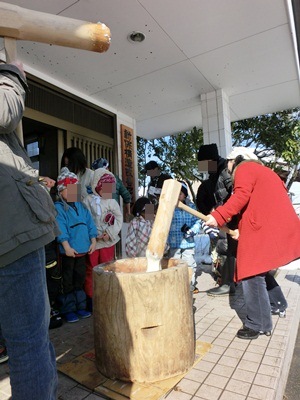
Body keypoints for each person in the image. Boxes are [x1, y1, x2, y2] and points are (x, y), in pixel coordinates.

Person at [0, 62, 59, 398]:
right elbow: (5, 111)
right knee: (29, 342)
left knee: (27, 340)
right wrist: (12, 76)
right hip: (12, 236)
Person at [205, 151, 300, 339]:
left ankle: (258, 323)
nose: (228, 169)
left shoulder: (245, 168)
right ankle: (277, 303)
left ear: (234, 160)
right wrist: (240, 228)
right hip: (273, 227)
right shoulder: (264, 171)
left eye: (228, 164)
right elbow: (254, 205)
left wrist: (218, 216)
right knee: (260, 270)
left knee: (250, 273)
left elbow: (241, 197)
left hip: (264, 229)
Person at [55, 167, 97, 323]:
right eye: (69, 189)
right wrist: (66, 246)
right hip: (68, 252)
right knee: (67, 281)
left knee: (79, 279)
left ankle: (81, 306)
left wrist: (93, 240)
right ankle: (68, 309)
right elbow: (60, 228)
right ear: (61, 191)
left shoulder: (83, 207)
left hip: (83, 250)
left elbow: (90, 224)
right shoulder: (59, 208)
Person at [197, 143, 236, 296]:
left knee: (226, 249)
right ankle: (229, 283)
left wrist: (222, 212)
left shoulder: (225, 171)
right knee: (225, 250)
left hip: (230, 218)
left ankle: (228, 284)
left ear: (210, 160)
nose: (203, 168)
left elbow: (235, 193)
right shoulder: (214, 175)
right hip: (224, 218)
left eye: (203, 164)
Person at [83, 168, 123, 309]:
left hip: (108, 242)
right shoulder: (87, 201)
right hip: (93, 243)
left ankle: (107, 295)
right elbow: (86, 219)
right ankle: (91, 297)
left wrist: (109, 233)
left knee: (108, 268)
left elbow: (119, 219)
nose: (108, 192)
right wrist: (93, 235)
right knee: (91, 269)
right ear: (97, 186)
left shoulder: (112, 202)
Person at [168, 182, 203, 293]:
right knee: (174, 264)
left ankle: (190, 284)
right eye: (176, 193)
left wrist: (192, 230)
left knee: (190, 264)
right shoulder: (169, 206)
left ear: (185, 195)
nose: (178, 195)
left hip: (188, 242)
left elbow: (198, 220)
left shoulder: (191, 206)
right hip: (174, 243)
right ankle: (175, 284)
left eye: (181, 193)